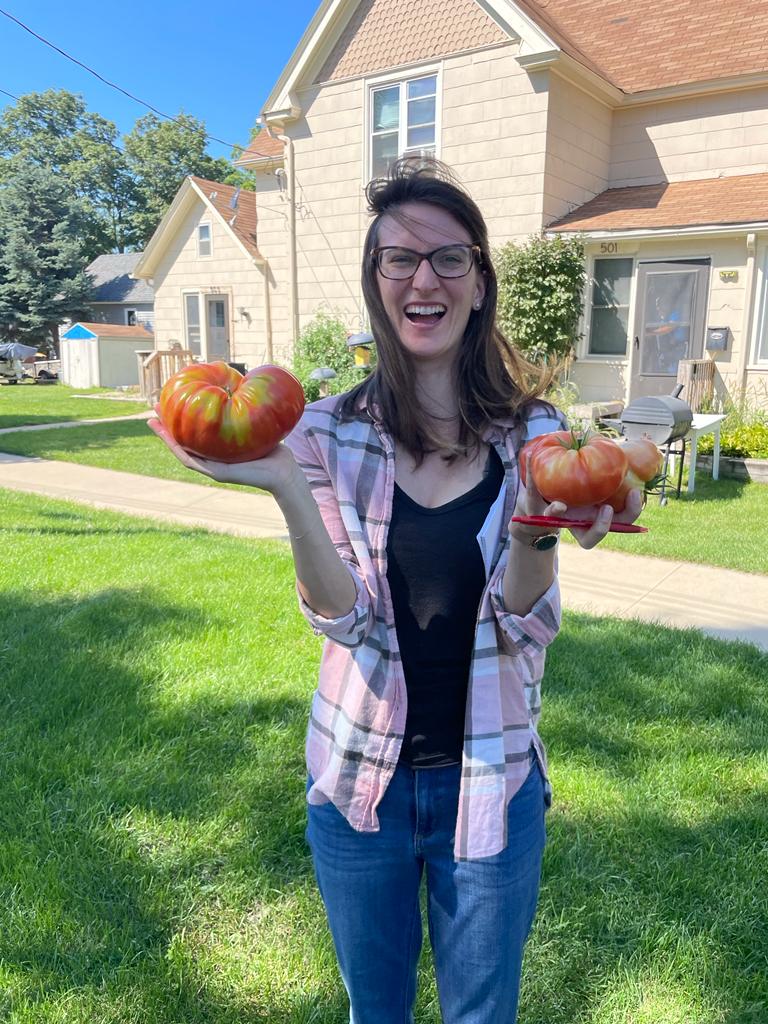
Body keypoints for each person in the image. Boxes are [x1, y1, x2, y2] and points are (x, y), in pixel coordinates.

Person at [149, 158, 642, 1024]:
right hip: (357, 781)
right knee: (374, 1011)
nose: (424, 279)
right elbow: (343, 619)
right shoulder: (324, 434)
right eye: (399, 259)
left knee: (481, 1014)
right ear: (376, 282)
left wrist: (540, 525)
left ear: (480, 284)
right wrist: (286, 483)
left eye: (449, 258)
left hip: (491, 775)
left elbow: (526, 624)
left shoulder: (533, 434)